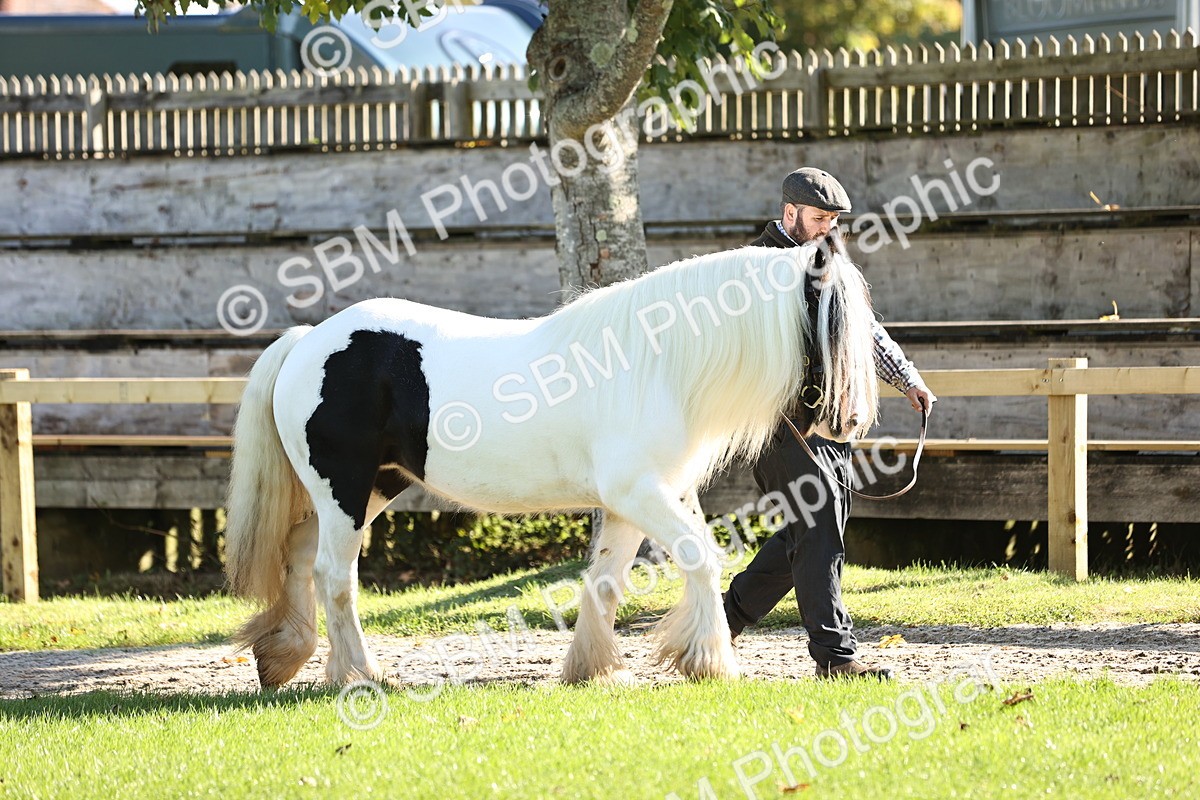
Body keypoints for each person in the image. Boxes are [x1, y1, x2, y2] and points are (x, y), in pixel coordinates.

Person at [723, 167, 937, 679]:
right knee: (818, 528)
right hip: (777, 424)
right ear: (789, 213)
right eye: (819, 218)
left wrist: (907, 379)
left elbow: (865, 331)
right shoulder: (752, 268)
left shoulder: (831, 265)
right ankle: (837, 658)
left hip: (830, 423)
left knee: (807, 533)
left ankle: (719, 620)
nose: (827, 229)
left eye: (834, 220)